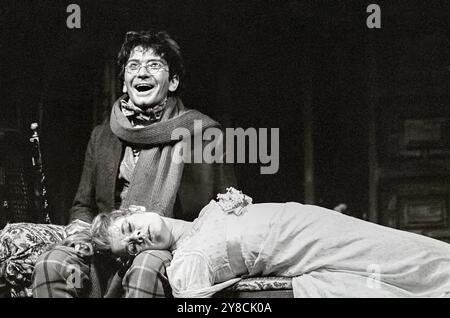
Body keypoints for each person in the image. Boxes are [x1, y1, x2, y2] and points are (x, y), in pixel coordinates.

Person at [32, 30, 236, 298]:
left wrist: (184, 240)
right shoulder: (103, 135)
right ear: (125, 82)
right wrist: (83, 237)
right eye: (134, 66)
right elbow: (84, 206)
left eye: (154, 65)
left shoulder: (204, 135)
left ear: (173, 81)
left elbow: (228, 211)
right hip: (106, 248)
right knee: (52, 264)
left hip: (170, 247)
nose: (142, 73)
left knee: (145, 267)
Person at [91, 187, 450, 298]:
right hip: (309, 248)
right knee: (402, 266)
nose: (139, 237)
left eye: (131, 227)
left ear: (135, 209)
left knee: (408, 251)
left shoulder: (201, 217)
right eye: (133, 246)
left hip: (315, 223)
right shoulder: (186, 262)